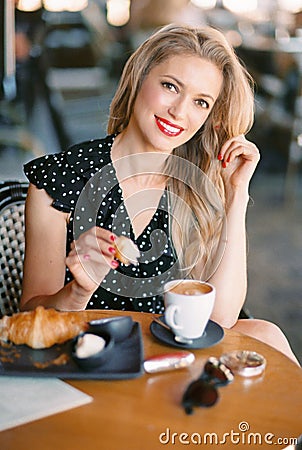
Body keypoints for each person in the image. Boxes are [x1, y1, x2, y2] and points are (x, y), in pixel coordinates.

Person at [21, 24, 299, 364]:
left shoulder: (196, 187)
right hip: (89, 358)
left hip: (166, 359)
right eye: (171, 86)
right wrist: (78, 290)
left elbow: (219, 320)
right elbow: (29, 318)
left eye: (200, 102)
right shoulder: (60, 179)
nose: (180, 112)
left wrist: (236, 196)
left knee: (268, 334)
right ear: (139, 77)